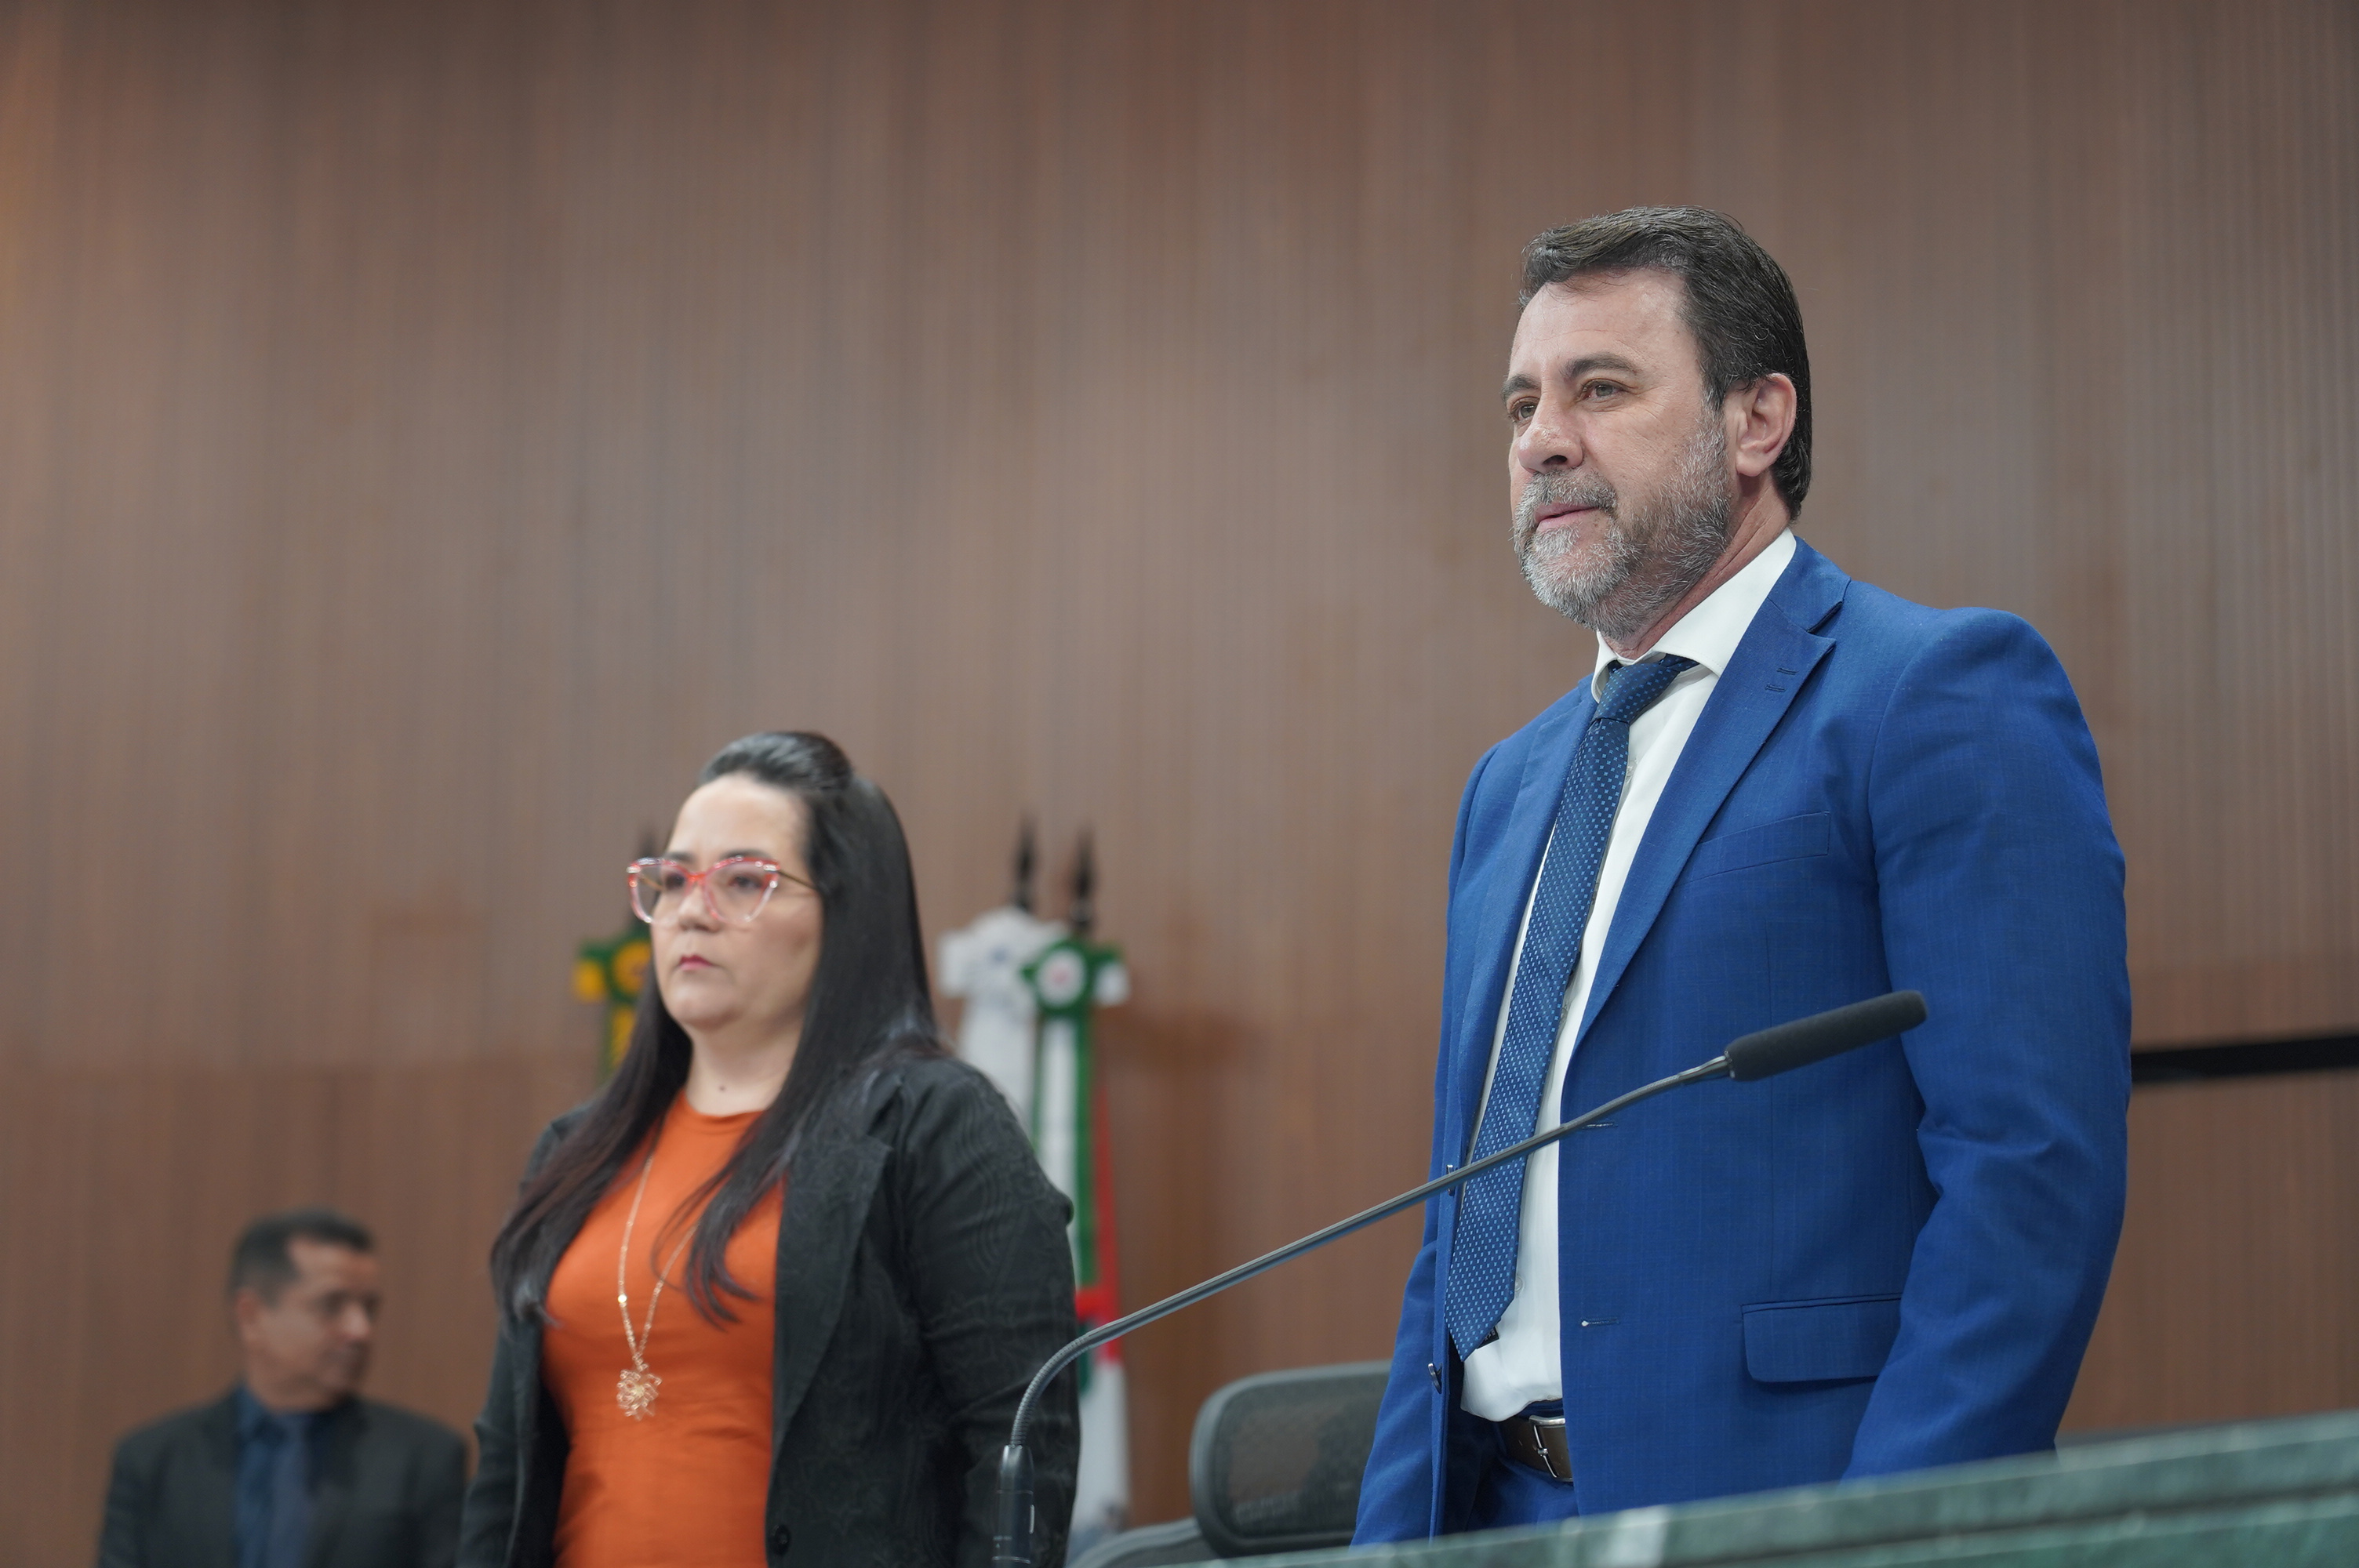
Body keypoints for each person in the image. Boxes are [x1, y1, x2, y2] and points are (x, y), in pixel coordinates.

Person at [1355, 208, 2130, 1538]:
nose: (1542, 439)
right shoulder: (1507, 788)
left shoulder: (1933, 696)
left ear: (1757, 419)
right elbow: (1460, 1234)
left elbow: (2028, 1180)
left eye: (1601, 389)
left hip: (1778, 1515)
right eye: (1522, 404)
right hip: (1490, 1510)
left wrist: (1879, 1546)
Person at [460, 731, 1080, 1568]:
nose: (691, 910)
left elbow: (1019, 1441)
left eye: (744, 881)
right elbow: (505, 1473)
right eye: (673, 879)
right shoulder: (574, 1153)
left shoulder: (929, 1123)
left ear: (846, 915)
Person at [98, 1208, 468, 1568]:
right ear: (251, 1316)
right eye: (332, 1305)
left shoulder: (425, 1458)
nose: (360, 1331)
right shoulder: (153, 1461)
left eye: (369, 1309)